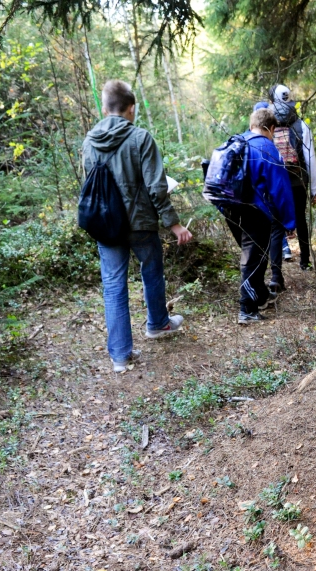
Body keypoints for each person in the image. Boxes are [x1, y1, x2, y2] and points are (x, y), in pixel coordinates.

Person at [82, 79, 192, 373]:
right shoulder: (141, 138)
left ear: (104, 108)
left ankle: (120, 356)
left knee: (114, 285)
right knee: (152, 270)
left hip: (106, 225)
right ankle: (157, 324)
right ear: (131, 109)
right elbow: (157, 187)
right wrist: (174, 224)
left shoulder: (89, 141)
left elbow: (89, 187)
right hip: (140, 222)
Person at [220, 106, 296, 324]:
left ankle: (260, 295)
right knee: (253, 259)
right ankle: (247, 309)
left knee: (256, 255)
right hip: (254, 211)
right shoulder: (267, 148)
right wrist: (289, 221)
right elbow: (280, 189)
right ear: (270, 128)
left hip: (231, 209)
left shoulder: (236, 142)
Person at [266, 85, 316, 293]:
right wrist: (314, 189)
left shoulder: (266, 124)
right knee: (301, 219)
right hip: (298, 182)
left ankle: (275, 275)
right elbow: (310, 159)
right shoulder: (301, 126)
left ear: (271, 100)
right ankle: (305, 262)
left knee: (275, 226)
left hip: (275, 183)